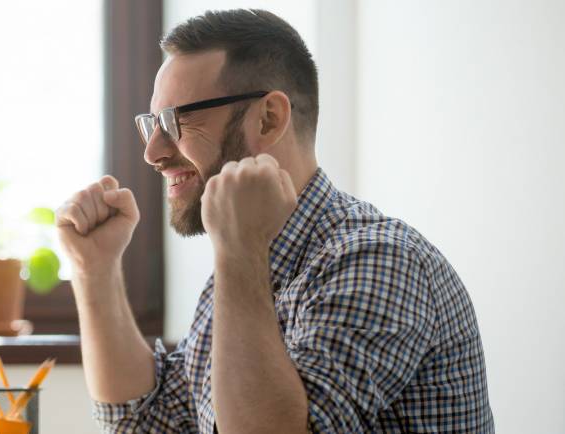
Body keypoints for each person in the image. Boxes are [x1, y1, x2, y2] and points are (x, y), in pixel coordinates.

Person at [56, 8, 494, 434]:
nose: (152, 151)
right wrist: (95, 270)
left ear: (269, 118)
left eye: (176, 120)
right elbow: (151, 421)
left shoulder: (380, 261)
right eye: (151, 122)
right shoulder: (244, 268)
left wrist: (240, 251)